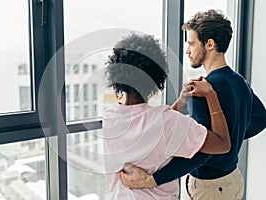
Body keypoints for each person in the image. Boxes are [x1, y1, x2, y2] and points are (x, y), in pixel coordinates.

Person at [120, 9, 266, 200]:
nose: (187, 50)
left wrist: (153, 180)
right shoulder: (239, 81)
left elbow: (200, 151)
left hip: (209, 188)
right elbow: (261, 118)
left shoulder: (202, 90)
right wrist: (233, 135)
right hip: (232, 180)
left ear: (210, 44)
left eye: (191, 43)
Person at [103, 33, 230, 199]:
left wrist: (180, 102)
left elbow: (152, 127)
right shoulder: (166, 121)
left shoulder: (110, 117)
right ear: (155, 78)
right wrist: (210, 95)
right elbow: (222, 144)